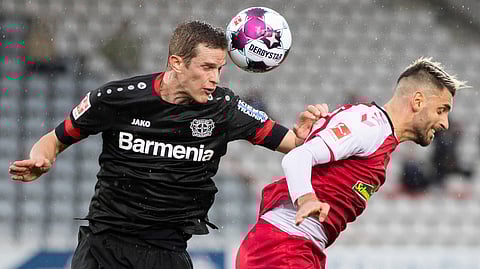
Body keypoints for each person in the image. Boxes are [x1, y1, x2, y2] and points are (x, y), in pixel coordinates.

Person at [7, 20, 327, 269]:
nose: (215, 78)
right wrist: (42, 158)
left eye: (219, 69)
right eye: (206, 68)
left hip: (168, 251)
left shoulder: (224, 108)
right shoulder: (118, 98)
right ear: (176, 62)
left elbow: (293, 143)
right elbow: (55, 138)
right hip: (104, 245)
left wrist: (304, 133)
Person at [236, 57, 467, 269]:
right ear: (417, 101)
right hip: (283, 246)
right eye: (441, 110)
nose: (445, 123)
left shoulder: (378, 134)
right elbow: (298, 158)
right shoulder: (369, 127)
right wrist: (306, 198)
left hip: (295, 247)